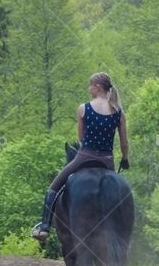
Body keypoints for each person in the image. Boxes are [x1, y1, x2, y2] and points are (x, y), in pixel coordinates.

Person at [31, 72, 129, 241]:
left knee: (53, 187)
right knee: (120, 196)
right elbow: (124, 143)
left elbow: (81, 138)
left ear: (97, 87)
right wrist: (125, 159)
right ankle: (122, 233)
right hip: (107, 162)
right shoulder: (118, 112)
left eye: (90, 85)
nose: (88, 88)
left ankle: (45, 228)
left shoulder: (84, 108)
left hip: (84, 157)